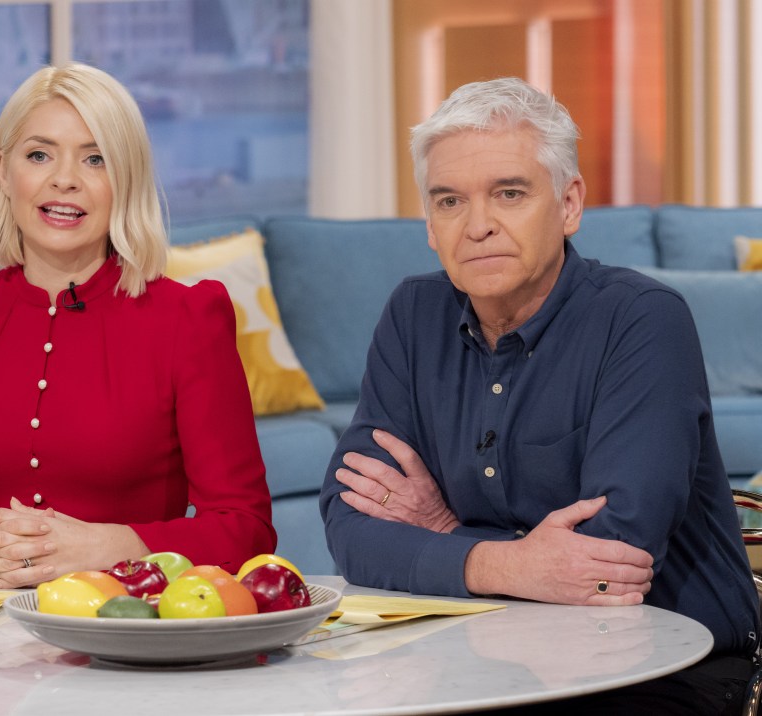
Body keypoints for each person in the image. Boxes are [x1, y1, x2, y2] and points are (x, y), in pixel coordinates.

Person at [319, 77, 759, 713]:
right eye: (449, 201)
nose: (478, 227)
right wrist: (512, 564)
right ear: (430, 224)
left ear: (569, 203)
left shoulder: (643, 320)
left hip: (667, 664)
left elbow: (612, 561)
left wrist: (444, 533)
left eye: (509, 193)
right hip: (478, 655)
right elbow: (352, 528)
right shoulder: (412, 314)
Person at [0, 63, 276, 588]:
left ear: (125, 178)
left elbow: (245, 529)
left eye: (95, 159)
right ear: (4, 170)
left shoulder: (188, 320)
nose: (64, 179)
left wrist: (116, 546)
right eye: (39, 155)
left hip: (130, 632)